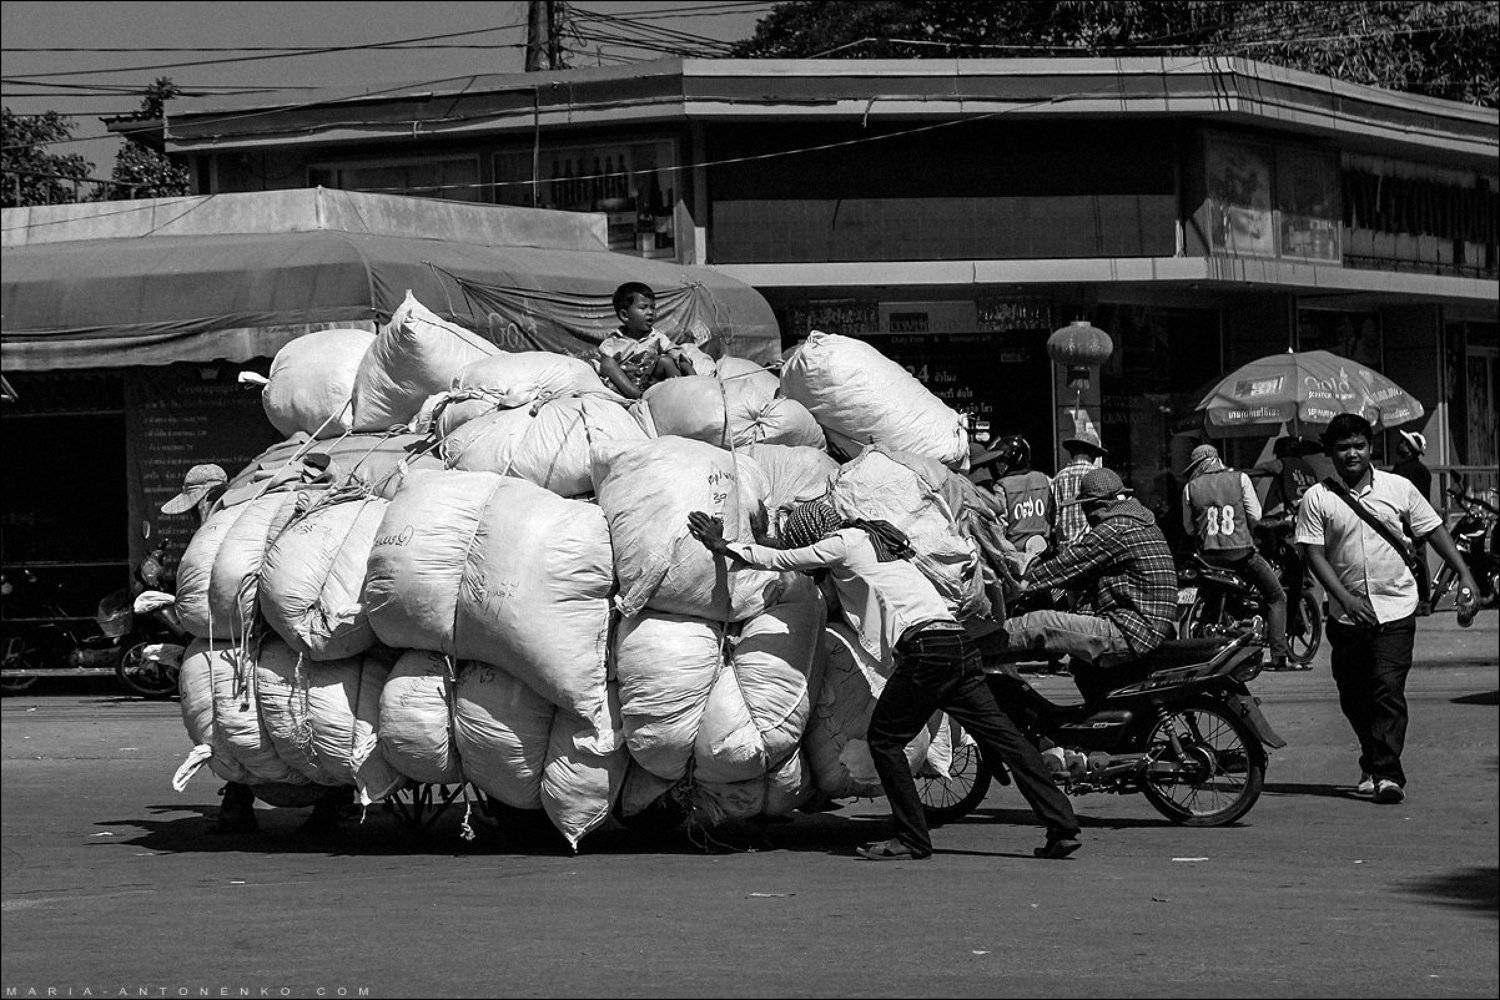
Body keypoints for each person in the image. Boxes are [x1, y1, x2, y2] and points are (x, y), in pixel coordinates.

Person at [686, 502, 1083, 861]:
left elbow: (788, 559)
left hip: (926, 651)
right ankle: (1062, 825)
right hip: (956, 644)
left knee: (885, 741)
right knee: (1005, 739)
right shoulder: (877, 545)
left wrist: (724, 546)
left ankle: (911, 837)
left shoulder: (844, 543)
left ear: (818, 536)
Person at [161, 463, 355, 838]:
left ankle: (324, 801)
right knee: (236, 720)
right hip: (247, 635)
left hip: (276, 630)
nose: (195, 512)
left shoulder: (239, 519)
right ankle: (244, 801)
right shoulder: (228, 527)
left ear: (210, 495)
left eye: (197, 502)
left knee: (317, 710)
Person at [1296, 413, 1479, 805]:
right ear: (1331, 452)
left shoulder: (1400, 488)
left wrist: (1465, 575)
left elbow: (1432, 530)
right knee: (1354, 695)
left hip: (1396, 607)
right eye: (1343, 447)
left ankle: (1386, 773)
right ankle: (1373, 757)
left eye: (1359, 445)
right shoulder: (1317, 498)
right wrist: (1344, 598)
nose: (1351, 454)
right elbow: (1313, 554)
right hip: (1346, 616)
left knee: (1387, 689)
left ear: (1370, 448)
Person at [1003, 468, 1179, 703]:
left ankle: (978, 646)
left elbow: (1066, 564)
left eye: (1086, 507)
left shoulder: (1115, 529)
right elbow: (1081, 573)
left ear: (1097, 505)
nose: (1087, 515)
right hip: (1148, 627)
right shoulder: (1141, 521)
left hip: (1129, 631)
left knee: (1039, 624)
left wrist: (1018, 585)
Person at [1181, 444, 1292, 671]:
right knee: (1276, 596)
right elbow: (1256, 516)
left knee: (1212, 597)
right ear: (1216, 459)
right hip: (1241, 553)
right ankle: (1279, 655)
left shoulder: (1190, 488)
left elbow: (1189, 528)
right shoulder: (1240, 479)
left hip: (1208, 557)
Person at [596, 281, 691, 399]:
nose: (651, 312)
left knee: (666, 361)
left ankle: (684, 393)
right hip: (626, 387)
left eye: (652, 307)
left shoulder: (656, 337)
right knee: (607, 363)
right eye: (643, 307)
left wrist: (690, 372)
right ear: (625, 315)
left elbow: (675, 352)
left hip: (652, 383)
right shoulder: (612, 343)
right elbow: (603, 368)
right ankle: (638, 396)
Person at [991, 435, 1054, 573]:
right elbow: (1055, 516)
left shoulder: (1001, 487)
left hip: (1015, 562)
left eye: (1001, 461)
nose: (998, 465)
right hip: (1043, 556)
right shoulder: (1045, 480)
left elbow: (999, 528)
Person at [1390, 430, 1434, 615]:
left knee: (1415, 562)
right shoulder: (1417, 470)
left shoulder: (1409, 471)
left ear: (1410, 449)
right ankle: (1420, 600)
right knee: (1415, 562)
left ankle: (1422, 601)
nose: (1400, 444)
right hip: (1410, 524)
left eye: (1404, 442)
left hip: (1408, 524)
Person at [1051, 426, 1107, 550]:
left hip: (1066, 548)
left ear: (1072, 453)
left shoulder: (1058, 478)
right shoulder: (1099, 475)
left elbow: (1055, 517)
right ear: (1092, 454)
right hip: (1092, 546)